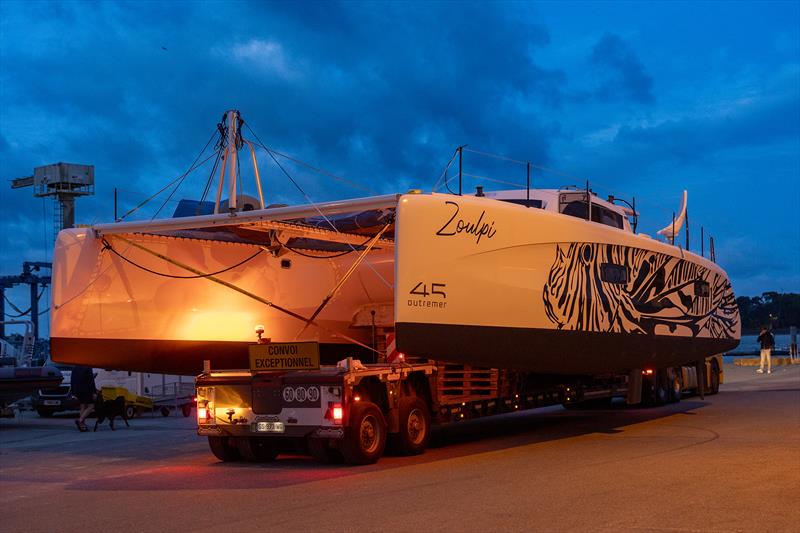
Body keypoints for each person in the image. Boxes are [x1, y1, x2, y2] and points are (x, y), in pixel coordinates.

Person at [71, 365, 97, 431]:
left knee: (82, 406)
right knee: (91, 406)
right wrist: (94, 392)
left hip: (78, 390)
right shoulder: (88, 367)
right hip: (87, 390)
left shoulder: (75, 367)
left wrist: (73, 392)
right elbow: (91, 381)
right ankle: (80, 420)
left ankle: (82, 426)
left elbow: (72, 380)